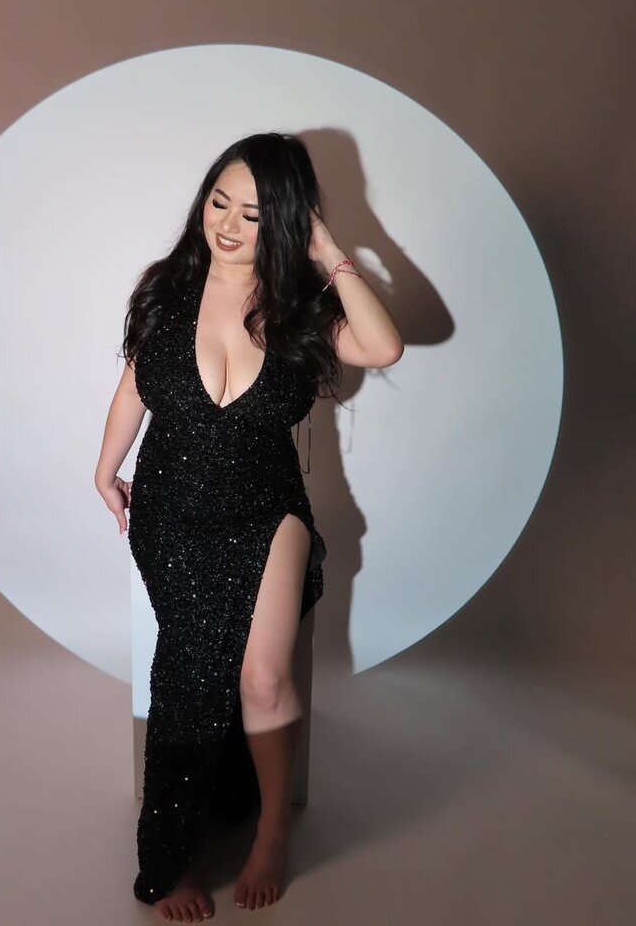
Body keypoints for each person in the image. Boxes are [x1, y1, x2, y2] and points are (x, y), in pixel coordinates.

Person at [94, 132, 403, 920]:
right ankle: (173, 851)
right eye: (219, 202)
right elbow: (133, 386)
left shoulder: (304, 309)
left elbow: (384, 345)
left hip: (269, 507)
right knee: (189, 674)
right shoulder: (166, 290)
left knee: (263, 678)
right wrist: (104, 468)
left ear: (289, 221)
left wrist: (327, 249)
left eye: (255, 214)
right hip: (171, 511)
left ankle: (271, 830)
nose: (228, 225)